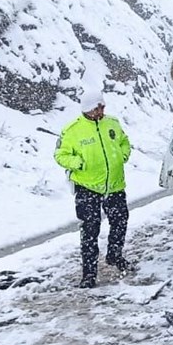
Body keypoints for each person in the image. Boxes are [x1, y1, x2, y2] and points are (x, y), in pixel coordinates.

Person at [54, 88, 133, 288]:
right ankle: (89, 274)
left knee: (120, 221)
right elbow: (60, 155)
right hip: (87, 188)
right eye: (98, 107)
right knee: (90, 231)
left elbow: (124, 142)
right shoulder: (72, 130)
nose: (101, 110)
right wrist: (77, 163)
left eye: (103, 106)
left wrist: (122, 156)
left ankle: (115, 255)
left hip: (114, 186)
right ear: (88, 109)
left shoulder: (112, 123)